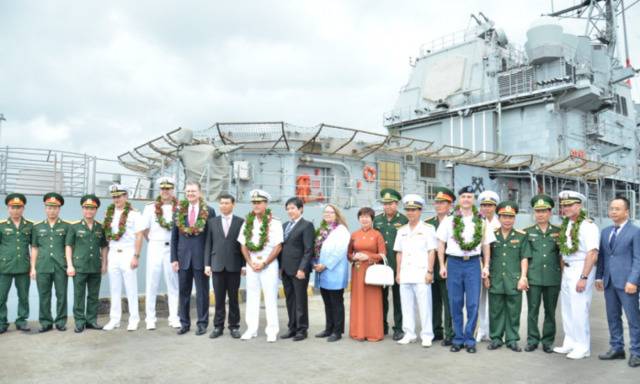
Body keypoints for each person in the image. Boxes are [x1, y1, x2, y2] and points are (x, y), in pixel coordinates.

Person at [436, 186, 495, 353]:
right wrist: (442, 265)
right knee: (455, 302)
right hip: (454, 263)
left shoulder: (481, 221)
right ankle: (458, 338)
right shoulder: (449, 220)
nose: (467, 199)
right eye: (464, 196)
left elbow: (486, 245)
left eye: (470, 196)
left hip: (473, 264)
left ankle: (469, 339)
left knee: (473, 303)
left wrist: (486, 266)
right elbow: (440, 243)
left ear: (473, 200)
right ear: (459, 200)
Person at [553, 190, 600, 360]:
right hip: (567, 268)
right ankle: (570, 342)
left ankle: (582, 346)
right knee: (567, 308)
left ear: (579, 205)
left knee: (579, 308)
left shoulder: (588, 226)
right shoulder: (567, 224)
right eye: (563, 205)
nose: (565, 208)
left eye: (569, 205)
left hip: (581, 268)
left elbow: (592, 253)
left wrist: (584, 277)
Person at [595, 197, 640, 368]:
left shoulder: (635, 232)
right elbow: (603, 257)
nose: (613, 211)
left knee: (633, 319)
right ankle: (617, 348)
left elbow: (638, 259)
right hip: (609, 282)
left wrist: (633, 281)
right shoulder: (605, 232)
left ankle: (636, 352)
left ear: (626, 212)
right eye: (611, 208)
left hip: (628, 283)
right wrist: (599, 277)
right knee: (613, 317)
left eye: (617, 209)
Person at [238, 189, 283, 342]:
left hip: (268, 264)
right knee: (252, 297)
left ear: (266, 204)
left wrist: (264, 263)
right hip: (252, 263)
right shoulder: (247, 222)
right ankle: (251, 329)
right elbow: (243, 245)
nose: (255, 205)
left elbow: (278, 246)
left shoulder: (275, 222)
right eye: (254, 202)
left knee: (270, 297)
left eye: (259, 202)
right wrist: (250, 263)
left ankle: (272, 330)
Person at [171, 180, 215, 336]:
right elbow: (174, 237)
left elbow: (211, 239)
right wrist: (174, 259)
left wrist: (208, 261)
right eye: (188, 191)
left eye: (193, 191)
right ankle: (184, 323)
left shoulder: (209, 211)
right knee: (183, 292)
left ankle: (202, 323)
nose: (190, 194)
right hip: (183, 259)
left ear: (200, 193)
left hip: (201, 259)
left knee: (202, 293)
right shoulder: (178, 211)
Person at [393, 194, 437, 347]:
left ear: (420, 211)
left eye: (414, 210)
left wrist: (430, 271)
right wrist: (398, 273)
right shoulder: (402, 230)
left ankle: (426, 335)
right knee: (406, 305)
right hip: (405, 273)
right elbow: (399, 252)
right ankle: (409, 333)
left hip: (421, 273)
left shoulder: (427, 229)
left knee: (424, 306)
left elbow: (432, 251)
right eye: (408, 210)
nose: (410, 212)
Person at [486, 201, 530, 352]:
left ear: (515, 218)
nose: (507, 220)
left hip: (514, 279)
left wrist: (523, 277)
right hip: (496, 278)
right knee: (495, 310)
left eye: (511, 217)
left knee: (513, 311)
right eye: (504, 216)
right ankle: (496, 338)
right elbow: (485, 257)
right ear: (499, 217)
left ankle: (512, 339)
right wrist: (486, 276)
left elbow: (524, 257)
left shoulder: (521, 236)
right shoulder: (491, 235)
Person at [140, 176, 181, 330]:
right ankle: (150, 318)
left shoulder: (180, 207)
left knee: (173, 282)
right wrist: (152, 241)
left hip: (172, 248)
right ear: (160, 190)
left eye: (168, 188)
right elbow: (144, 229)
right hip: (155, 247)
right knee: (152, 282)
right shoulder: (150, 208)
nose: (165, 191)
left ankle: (174, 317)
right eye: (163, 188)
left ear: (173, 189)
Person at [103, 184, 144, 332]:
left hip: (128, 252)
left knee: (130, 288)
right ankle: (115, 319)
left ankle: (134, 319)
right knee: (114, 288)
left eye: (119, 196)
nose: (116, 199)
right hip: (113, 253)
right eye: (114, 197)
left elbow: (139, 236)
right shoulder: (109, 214)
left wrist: (136, 256)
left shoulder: (134, 214)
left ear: (126, 196)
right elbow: (107, 238)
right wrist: (106, 259)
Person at [65, 195, 108, 333]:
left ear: (96, 210)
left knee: (93, 295)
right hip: (79, 267)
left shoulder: (100, 227)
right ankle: (79, 322)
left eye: (92, 209)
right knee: (79, 295)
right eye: (86, 208)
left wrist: (104, 264)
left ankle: (91, 321)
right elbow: (68, 246)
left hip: (95, 266)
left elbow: (104, 247)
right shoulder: (74, 227)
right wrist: (70, 265)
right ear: (82, 209)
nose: (89, 211)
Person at [524, 194, 561, 353]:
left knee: (550, 312)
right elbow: (525, 256)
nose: (540, 214)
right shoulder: (527, 232)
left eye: (544, 211)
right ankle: (532, 340)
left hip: (553, 278)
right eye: (537, 211)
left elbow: (562, 256)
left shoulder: (559, 232)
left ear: (550, 213)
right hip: (533, 277)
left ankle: (547, 341)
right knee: (532, 310)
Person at [204, 193, 245, 339]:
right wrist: (207, 264)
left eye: (227, 203)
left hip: (234, 266)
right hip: (217, 265)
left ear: (233, 205)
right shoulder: (212, 222)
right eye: (221, 203)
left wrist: (244, 265)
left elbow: (243, 245)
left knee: (233, 298)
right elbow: (208, 243)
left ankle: (234, 326)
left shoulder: (240, 222)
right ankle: (218, 326)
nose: (223, 206)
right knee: (219, 298)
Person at [30, 192, 70, 332]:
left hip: (60, 266)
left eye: (55, 207)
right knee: (44, 295)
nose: (51, 210)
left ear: (59, 209)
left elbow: (68, 247)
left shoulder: (66, 226)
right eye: (49, 207)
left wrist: (69, 265)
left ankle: (60, 322)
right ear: (45, 208)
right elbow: (34, 248)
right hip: (43, 266)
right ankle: (46, 322)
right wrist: (33, 268)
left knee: (61, 295)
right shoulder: (37, 227)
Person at [373, 188, 408, 340]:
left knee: (399, 299)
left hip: (398, 265)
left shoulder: (404, 220)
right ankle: (382, 325)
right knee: (381, 297)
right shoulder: (377, 220)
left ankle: (399, 328)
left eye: (390, 203)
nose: (387, 206)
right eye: (385, 204)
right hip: (382, 265)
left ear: (397, 204)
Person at [279, 197, 315, 341]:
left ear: (300, 209)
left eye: (293, 208)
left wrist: (302, 269)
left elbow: (308, 250)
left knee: (300, 300)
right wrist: (280, 267)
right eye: (288, 208)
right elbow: (281, 248)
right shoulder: (284, 225)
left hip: (299, 270)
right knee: (290, 300)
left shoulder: (306, 226)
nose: (290, 211)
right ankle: (292, 327)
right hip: (286, 269)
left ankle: (302, 329)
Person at [313, 204, 350, 342]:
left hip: (335, 271)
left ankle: (337, 331)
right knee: (327, 301)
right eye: (325, 212)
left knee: (336, 302)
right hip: (322, 271)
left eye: (331, 212)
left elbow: (339, 252)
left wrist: (325, 265)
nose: (327, 214)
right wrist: (315, 263)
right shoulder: (322, 229)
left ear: (337, 214)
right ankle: (328, 328)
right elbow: (316, 248)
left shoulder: (342, 231)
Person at [348, 207, 385, 342]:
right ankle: (358, 332)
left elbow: (382, 255)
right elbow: (348, 253)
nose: (364, 219)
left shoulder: (377, 235)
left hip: (371, 271)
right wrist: (354, 257)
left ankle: (373, 332)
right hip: (357, 271)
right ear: (359, 219)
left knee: (372, 301)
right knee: (358, 300)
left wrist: (368, 256)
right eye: (362, 216)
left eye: (367, 217)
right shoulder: (354, 235)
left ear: (372, 219)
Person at [425, 186, 455, 346]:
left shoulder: (456, 223)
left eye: (443, 202)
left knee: (449, 301)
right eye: (437, 202)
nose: (439, 205)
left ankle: (450, 333)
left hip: (449, 268)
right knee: (434, 301)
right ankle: (436, 331)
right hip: (432, 268)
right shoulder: (428, 224)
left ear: (450, 205)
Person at [0, 193, 33, 334]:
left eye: (19, 207)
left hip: (23, 267)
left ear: (23, 208)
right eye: (13, 207)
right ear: (8, 208)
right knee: (1, 296)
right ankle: (2, 322)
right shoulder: (1, 226)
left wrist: (33, 267)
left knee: (23, 296)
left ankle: (21, 321)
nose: (15, 210)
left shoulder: (30, 226)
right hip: (4, 267)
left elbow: (35, 247)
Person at [476, 190, 500, 343]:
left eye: (490, 205)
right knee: (478, 300)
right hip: (478, 266)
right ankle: (480, 330)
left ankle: (494, 331)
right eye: (484, 205)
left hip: (497, 267)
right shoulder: (476, 222)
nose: (486, 208)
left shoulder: (500, 223)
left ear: (495, 207)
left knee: (494, 301)